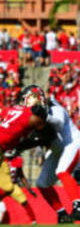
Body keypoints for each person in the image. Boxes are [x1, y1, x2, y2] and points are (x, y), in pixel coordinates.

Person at [33, 92, 80, 223]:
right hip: (58, 149)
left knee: (62, 171)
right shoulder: (32, 117)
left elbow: (58, 124)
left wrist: (45, 116)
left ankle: (78, 207)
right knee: (42, 183)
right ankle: (62, 214)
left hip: (73, 143)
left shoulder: (55, 108)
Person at [0, 85, 49, 224]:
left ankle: (32, 220)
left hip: (1, 150)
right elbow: (45, 136)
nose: (41, 102)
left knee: (8, 186)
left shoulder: (12, 109)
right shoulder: (34, 118)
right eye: (39, 99)